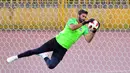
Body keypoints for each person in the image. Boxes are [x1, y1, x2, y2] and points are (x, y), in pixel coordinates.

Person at [6, 9, 100, 69]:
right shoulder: (72, 20)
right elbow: (72, 27)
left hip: (63, 49)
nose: (84, 18)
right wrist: (85, 23)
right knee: (35, 51)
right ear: (78, 15)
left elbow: (88, 40)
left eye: (85, 17)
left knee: (51, 66)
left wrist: (94, 31)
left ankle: (44, 56)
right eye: (83, 16)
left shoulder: (84, 28)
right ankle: (15, 57)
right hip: (55, 42)